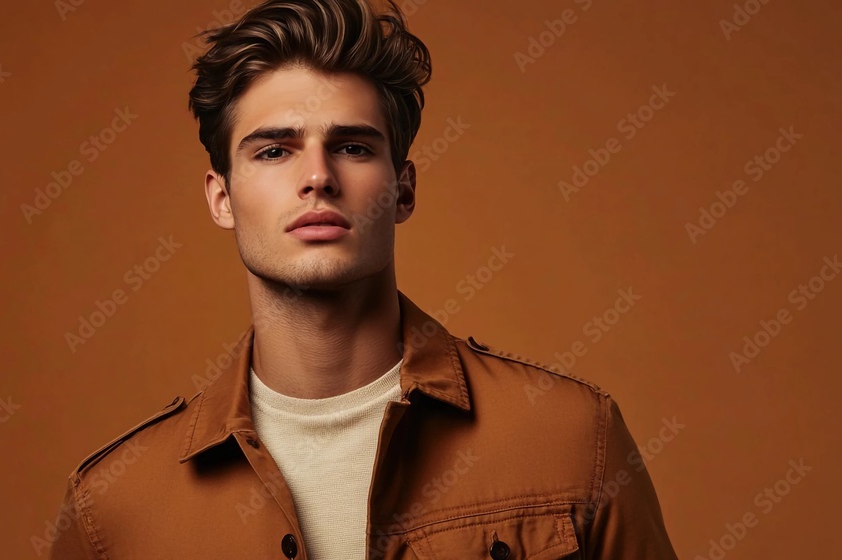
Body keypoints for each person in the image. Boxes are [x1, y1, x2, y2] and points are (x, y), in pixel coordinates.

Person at [48, 0, 679, 558]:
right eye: (274, 150)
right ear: (221, 197)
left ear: (403, 189)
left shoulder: (569, 438)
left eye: (352, 146)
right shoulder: (115, 508)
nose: (318, 176)